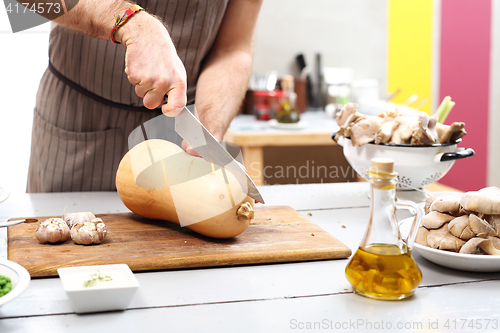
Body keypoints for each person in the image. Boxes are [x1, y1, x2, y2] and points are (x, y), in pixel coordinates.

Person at [27, 0, 262, 192]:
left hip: (177, 136)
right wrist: (128, 19)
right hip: (75, 118)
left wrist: (210, 122)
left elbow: (232, 47)